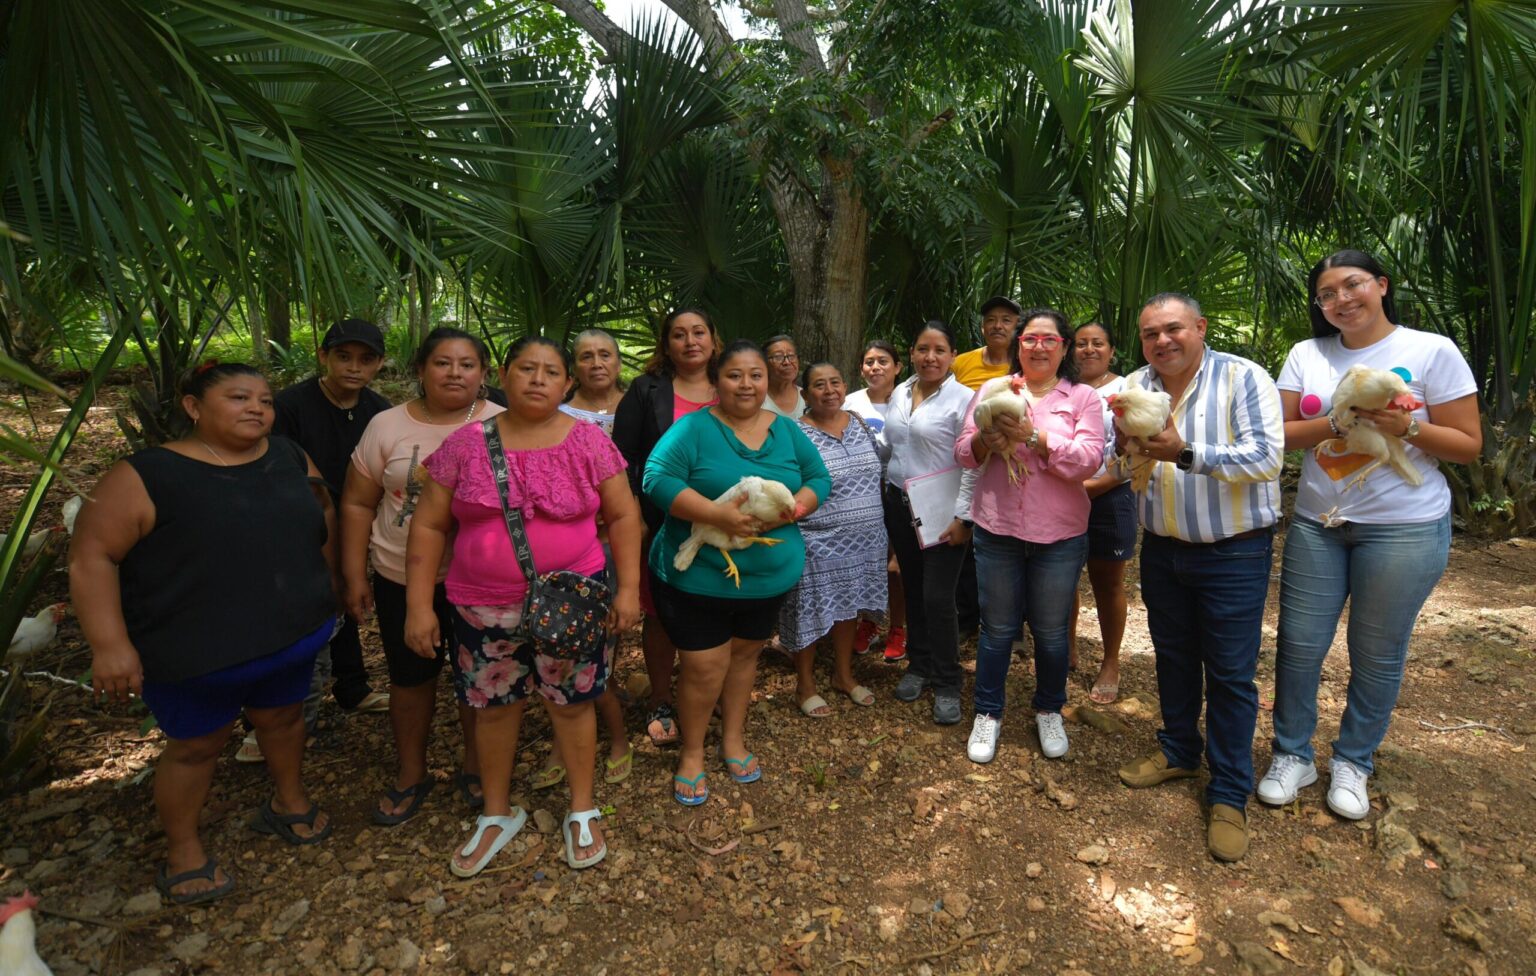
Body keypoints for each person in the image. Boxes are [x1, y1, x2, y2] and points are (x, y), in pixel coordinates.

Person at [71, 363, 336, 905]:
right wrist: (109, 644)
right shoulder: (146, 473)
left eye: (264, 399)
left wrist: (329, 583)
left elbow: (322, 511)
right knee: (195, 746)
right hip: (194, 650)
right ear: (193, 407)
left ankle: (290, 799)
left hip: (289, 633)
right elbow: (92, 555)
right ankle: (184, 849)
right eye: (238, 397)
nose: (256, 408)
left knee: (283, 718)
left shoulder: (287, 456)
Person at [405, 336, 642, 875]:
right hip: (480, 607)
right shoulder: (467, 445)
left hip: (573, 601)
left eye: (550, 371)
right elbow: (429, 525)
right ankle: (495, 811)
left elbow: (625, 517)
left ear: (566, 383)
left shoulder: (588, 442)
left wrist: (627, 590)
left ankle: (582, 806)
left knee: (573, 702)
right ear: (504, 376)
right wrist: (419, 606)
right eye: (526, 368)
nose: (538, 378)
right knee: (493, 705)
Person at [1257, 250, 1481, 820]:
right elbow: (1279, 436)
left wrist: (1408, 425)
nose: (1341, 300)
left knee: (1376, 653)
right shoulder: (1307, 354)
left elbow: (1469, 444)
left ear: (1381, 285)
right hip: (1318, 525)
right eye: (1327, 293)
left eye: (1352, 285)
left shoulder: (1430, 350)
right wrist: (1338, 421)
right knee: (1300, 647)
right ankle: (1292, 754)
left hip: (1403, 528)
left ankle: (1354, 760)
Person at [1112, 293, 1284, 863]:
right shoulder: (1137, 383)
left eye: (1172, 329)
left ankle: (1230, 791)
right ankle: (1180, 749)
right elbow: (1121, 465)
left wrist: (1184, 453)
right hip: (1162, 546)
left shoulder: (1243, 376)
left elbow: (1266, 459)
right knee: (1173, 657)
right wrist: (1122, 449)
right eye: (1149, 333)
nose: (1161, 341)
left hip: (1233, 552)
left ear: (1200, 328)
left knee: (1232, 674)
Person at [643, 340, 830, 805]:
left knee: (745, 657)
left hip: (767, 578)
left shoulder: (786, 431)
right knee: (705, 667)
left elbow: (818, 478)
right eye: (734, 375)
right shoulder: (693, 429)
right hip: (698, 575)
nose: (746, 384)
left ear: (767, 380)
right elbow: (657, 478)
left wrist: (798, 506)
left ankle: (732, 739)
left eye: (755, 375)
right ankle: (691, 753)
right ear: (716, 381)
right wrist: (716, 514)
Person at [341, 327, 505, 825]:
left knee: (480, 678)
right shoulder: (385, 426)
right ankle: (411, 772)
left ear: (483, 374)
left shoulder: (505, 423)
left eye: (467, 364)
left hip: (483, 578)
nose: (455, 373)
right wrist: (354, 574)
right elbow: (355, 501)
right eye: (442, 363)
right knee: (410, 678)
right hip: (401, 576)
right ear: (419, 369)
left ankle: (477, 766)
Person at [231, 320, 390, 766]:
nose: (354, 368)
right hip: (300, 525)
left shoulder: (379, 410)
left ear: (379, 364)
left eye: (365, 359)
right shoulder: (290, 406)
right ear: (324, 356)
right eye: (344, 357)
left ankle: (352, 687)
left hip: (358, 522)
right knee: (301, 610)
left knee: (347, 597)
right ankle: (266, 721)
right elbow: (272, 464)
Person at [957, 309, 1103, 763]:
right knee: (997, 628)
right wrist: (986, 437)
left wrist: (1035, 437)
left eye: (1049, 340)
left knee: (1051, 631)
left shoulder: (1083, 399)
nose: (1039, 347)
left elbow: (1088, 460)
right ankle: (988, 712)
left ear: (1063, 348)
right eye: (1031, 339)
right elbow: (964, 453)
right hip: (997, 526)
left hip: (1057, 534)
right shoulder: (993, 388)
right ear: (1018, 345)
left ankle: (1049, 708)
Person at [529, 328, 633, 790]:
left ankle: (616, 736)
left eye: (605, 354)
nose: (597, 363)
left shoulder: (638, 403)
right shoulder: (553, 410)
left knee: (605, 637)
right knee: (561, 643)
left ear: (617, 361)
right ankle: (563, 738)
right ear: (575, 367)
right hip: (569, 541)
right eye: (586, 356)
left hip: (622, 533)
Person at [613, 309, 721, 747]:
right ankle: (661, 697)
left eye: (699, 332)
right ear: (666, 343)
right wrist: (635, 512)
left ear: (713, 339)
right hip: (660, 523)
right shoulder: (646, 390)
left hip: (725, 524)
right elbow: (621, 459)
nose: (690, 341)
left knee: (716, 610)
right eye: (679, 335)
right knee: (659, 614)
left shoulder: (732, 382)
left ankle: (708, 693)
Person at [779, 362, 888, 715]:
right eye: (819, 385)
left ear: (845, 386)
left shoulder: (857, 421)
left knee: (848, 610)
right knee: (809, 612)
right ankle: (805, 685)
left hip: (865, 540)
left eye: (835, 382)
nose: (829, 391)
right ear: (805, 393)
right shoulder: (794, 433)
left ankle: (843, 676)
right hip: (818, 542)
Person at [883, 321, 976, 726]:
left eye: (939, 350)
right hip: (898, 501)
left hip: (942, 509)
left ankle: (948, 682)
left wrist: (965, 517)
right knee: (914, 586)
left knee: (939, 596)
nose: (930, 357)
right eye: (923, 349)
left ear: (953, 355)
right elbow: (890, 447)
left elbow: (975, 463)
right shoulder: (901, 391)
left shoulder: (965, 399)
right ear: (912, 352)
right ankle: (918, 666)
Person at [1067, 322, 1135, 703]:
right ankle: (1068, 648)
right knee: (1064, 576)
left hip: (1111, 496)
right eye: (1081, 344)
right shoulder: (1063, 389)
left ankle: (1111, 661)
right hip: (1062, 496)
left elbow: (1136, 449)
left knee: (1107, 581)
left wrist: (1095, 486)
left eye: (1098, 343)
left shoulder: (1126, 388)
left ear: (1111, 350)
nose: (1088, 350)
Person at [844, 339, 907, 662]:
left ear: (898, 367)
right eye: (869, 362)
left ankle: (898, 628)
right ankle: (869, 623)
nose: (875, 367)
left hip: (900, 491)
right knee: (869, 563)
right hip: (862, 494)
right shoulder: (850, 402)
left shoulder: (909, 399)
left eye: (883, 361)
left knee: (897, 568)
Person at [952, 296, 1021, 391]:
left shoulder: (1025, 366)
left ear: (1018, 328)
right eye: (991, 320)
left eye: (1006, 320)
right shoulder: (959, 363)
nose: (997, 326)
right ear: (983, 327)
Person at [762, 334, 807, 419]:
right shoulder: (758, 400)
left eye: (791, 356)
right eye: (778, 357)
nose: (787, 362)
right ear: (765, 363)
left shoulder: (808, 397)